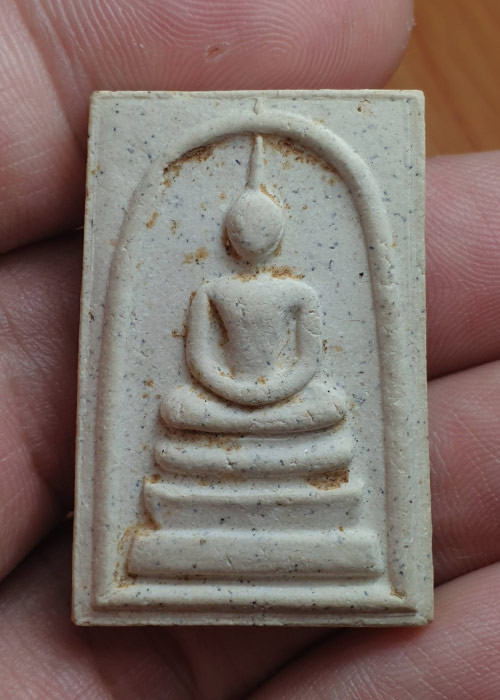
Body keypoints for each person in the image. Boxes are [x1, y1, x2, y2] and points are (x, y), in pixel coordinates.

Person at [0, 1, 499, 697]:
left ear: (273, 235)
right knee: (177, 407)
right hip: (222, 400)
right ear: (233, 236)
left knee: (328, 406)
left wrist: (273, 392)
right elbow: (200, 360)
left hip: (288, 402)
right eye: (242, 232)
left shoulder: (296, 292)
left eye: (260, 232)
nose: (250, 240)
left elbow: (310, 362)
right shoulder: (212, 290)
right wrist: (235, 391)